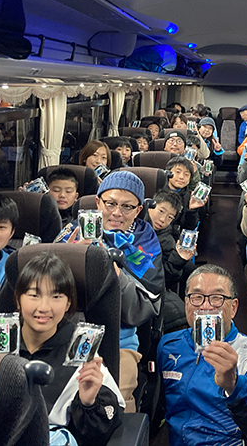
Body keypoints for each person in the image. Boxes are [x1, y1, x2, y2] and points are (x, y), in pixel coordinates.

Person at [0, 253, 124, 445]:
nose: (44, 307)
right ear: (18, 299)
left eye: (56, 296)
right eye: (34, 295)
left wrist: (88, 403)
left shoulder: (81, 354)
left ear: (68, 303)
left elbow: (105, 429)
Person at [158, 265, 247, 446]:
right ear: (186, 303)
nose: (206, 306)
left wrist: (234, 385)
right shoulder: (168, 345)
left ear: (233, 308)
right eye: (197, 297)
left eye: (217, 298)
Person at [95, 170, 164, 412]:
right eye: (110, 203)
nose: (117, 212)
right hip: (63, 335)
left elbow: (144, 307)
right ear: (98, 202)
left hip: (119, 341)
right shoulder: (73, 235)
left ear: (138, 210)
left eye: (127, 207)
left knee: (116, 407)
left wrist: (117, 276)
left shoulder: (145, 244)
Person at [146, 189, 195, 293]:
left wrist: (178, 260)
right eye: (161, 211)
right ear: (150, 207)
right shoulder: (133, 223)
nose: (163, 219)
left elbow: (165, 280)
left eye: (170, 217)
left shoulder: (167, 242)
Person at [163, 156, 206, 230]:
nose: (181, 177)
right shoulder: (156, 188)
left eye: (186, 174)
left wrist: (191, 211)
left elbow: (189, 228)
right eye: (178, 172)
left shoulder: (190, 197)